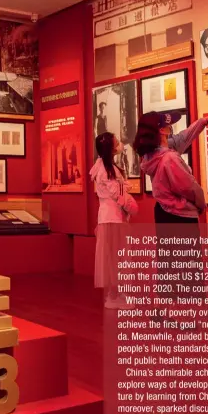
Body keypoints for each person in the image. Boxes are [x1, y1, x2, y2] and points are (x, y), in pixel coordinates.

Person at [134, 107, 208, 299]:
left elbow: (184, 137)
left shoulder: (151, 155)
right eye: (168, 124)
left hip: (163, 212)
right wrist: (201, 203)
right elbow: (188, 187)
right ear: (162, 130)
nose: (171, 127)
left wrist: (204, 121)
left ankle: (164, 309)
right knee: (186, 268)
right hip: (180, 215)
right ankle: (183, 316)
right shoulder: (170, 159)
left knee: (169, 264)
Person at [90, 132, 138, 309]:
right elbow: (117, 193)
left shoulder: (104, 167)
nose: (119, 144)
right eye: (116, 142)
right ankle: (116, 295)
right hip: (112, 218)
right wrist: (130, 203)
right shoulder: (105, 170)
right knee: (118, 257)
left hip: (111, 217)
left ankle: (115, 294)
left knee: (115, 257)